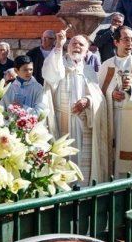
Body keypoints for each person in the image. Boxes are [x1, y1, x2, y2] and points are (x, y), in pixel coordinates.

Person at [43, 31, 109, 184]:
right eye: (73, 43)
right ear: (67, 47)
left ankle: (82, 195)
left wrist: (88, 100)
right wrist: (58, 44)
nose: (77, 46)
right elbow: (49, 74)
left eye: (81, 44)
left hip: (83, 125)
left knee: (81, 166)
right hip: (61, 123)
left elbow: (99, 98)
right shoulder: (59, 65)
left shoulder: (89, 71)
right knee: (62, 164)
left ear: (87, 51)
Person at [98, 26, 132, 178]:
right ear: (116, 42)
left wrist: (130, 90)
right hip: (111, 117)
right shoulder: (106, 65)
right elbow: (98, 92)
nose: (130, 44)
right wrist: (111, 93)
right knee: (112, 154)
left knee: (129, 158)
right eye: (126, 39)